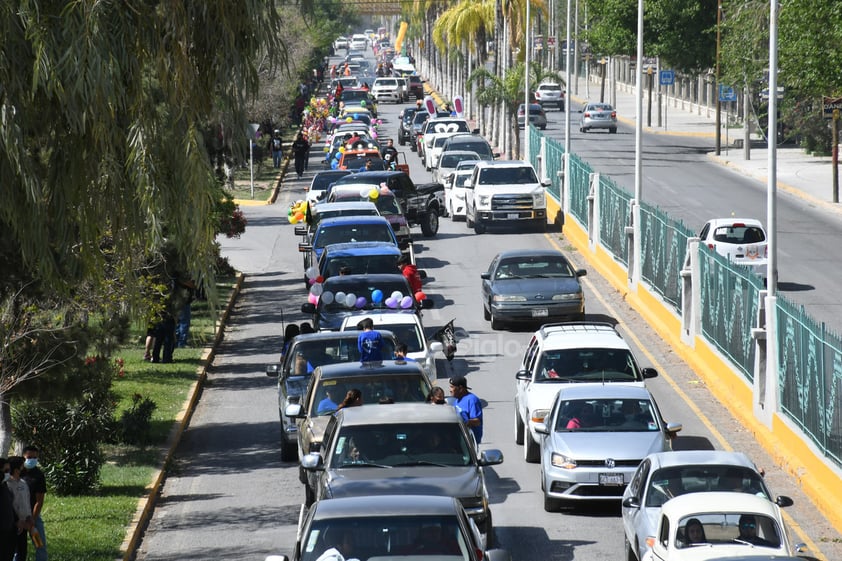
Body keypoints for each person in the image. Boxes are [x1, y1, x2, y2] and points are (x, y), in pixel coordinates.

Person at [21, 447, 46, 561]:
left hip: (33, 516)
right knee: (18, 549)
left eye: (35, 457)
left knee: (39, 545)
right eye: (29, 457)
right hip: (18, 518)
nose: (32, 460)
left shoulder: (39, 476)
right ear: (23, 457)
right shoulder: (17, 473)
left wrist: (32, 521)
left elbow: (39, 502)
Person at [6, 457, 32, 561]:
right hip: (13, 524)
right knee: (10, 552)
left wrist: (29, 517)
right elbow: (9, 506)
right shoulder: (7, 484)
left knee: (22, 552)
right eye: (22, 465)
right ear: (17, 469)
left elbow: (27, 501)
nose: (24, 467)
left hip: (25, 523)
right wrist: (17, 521)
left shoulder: (23, 483)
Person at [449, 376, 483, 444]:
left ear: (461, 388)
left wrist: (464, 422)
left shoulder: (472, 400)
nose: (450, 390)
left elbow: (477, 421)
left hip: (469, 442)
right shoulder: (457, 400)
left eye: (452, 387)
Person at [1, 458, 17, 561]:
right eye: (5, 471)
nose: (8, 474)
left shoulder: (4, 485)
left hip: (8, 528)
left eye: (9, 471)